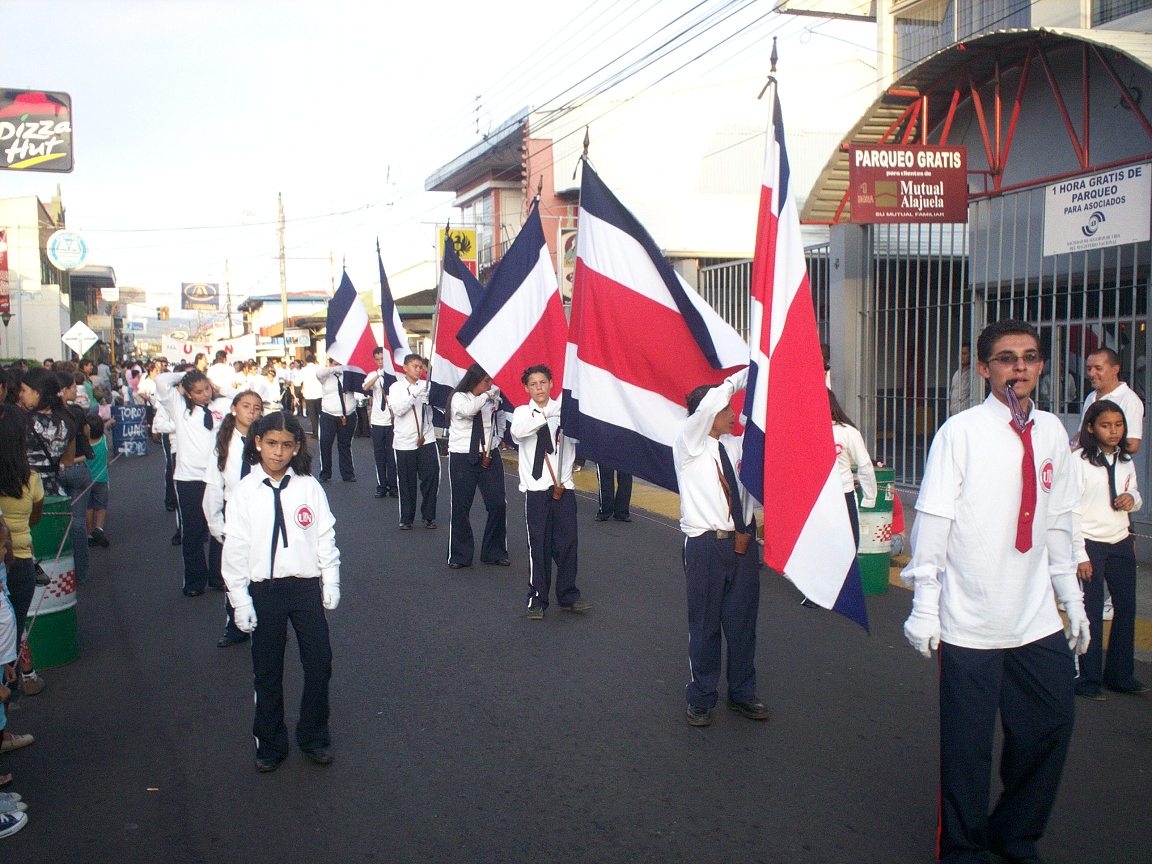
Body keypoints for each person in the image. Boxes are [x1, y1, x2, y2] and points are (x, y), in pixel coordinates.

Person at [901, 319, 1089, 864]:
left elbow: (1058, 520)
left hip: (1035, 620)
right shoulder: (959, 432)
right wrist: (924, 605)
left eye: (1030, 357)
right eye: (1007, 358)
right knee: (967, 749)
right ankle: (962, 849)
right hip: (970, 621)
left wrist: (1071, 602)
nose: (1021, 367)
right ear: (984, 369)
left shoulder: (1053, 430)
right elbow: (933, 521)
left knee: (1050, 727)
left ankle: (1014, 835)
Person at [220, 412, 339, 772]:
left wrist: (330, 578)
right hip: (264, 590)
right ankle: (270, 741)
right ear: (258, 443)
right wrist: (239, 600)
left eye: (287, 445)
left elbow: (324, 535)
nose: (278, 452)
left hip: (304, 587)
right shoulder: (244, 492)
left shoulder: (308, 487)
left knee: (319, 663)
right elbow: (235, 549)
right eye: (271, 443)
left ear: (297, 447)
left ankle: (314, 734)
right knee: (267, 670)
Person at [673, 368, 766, 727]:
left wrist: (768, 372)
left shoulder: (734, 445)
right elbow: (712, 402)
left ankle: (742, 692)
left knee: (743, 624)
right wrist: (747, 373)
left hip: (742, 545)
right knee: (706, 625)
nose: (731, 413)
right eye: (725, 409)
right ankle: (701, 697)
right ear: (706, 416)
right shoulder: (689, 444)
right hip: (706, 546)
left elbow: (761, 424)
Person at [1071, 399, 1145, 699]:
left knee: (1126, 608)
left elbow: (1135, 492)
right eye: (1105, 425)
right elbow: (1071, 510)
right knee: (1090, 609)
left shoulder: (1125, 460)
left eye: (1118, 425)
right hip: (1090, 542)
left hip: (1120, 540)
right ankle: (1086, 678)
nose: (1113, 431)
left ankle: (1119, 674)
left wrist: (1132, 499)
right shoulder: (1080, 462)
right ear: (1091, 428)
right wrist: (1079, 555)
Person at [509, 364, 589, 619]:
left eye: (543, 382)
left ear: (551, 383)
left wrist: (568, 410)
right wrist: (548, 414)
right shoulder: (522, 412)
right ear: (526, 388)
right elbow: (518, 432)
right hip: (536, 490)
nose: (539, 388)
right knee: (539, 545)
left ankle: (568, 594)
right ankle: (537, 598)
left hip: (563, 487)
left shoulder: (565, 413)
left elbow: (579, 439)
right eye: (533, 384)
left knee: (567, 544)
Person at [155, 367, 235, 597]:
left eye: (206, 388)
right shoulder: (178, 407)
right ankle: (194, 580)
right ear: (188, 394)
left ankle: (218, 577)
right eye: (198, 391)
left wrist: (220, 389)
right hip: (189, 477)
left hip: (216, 475)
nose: (204, 394)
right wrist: (185, 376)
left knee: (219, 527)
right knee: (193, 530)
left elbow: (242, 398)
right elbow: (161, 380)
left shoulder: (219, 406)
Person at [202, 390, 264, 648]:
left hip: (262, 512)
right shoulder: (223, 444)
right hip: (234, 514)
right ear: (234, 409)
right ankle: (235, 625)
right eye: (246, 406)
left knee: (262, 573)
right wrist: (216, 524)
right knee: (234, 573)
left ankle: (266, 623)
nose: (251, 411)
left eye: (257, 407)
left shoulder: (265, 442)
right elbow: (214, 487)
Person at [0, 405, 44, 698]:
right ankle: (12, 694)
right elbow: (35, 518)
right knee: (12, 631)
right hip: (21, 560)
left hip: (7, 560)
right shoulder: (31, 478)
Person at [446, 364, 509, 569]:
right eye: (486, 381)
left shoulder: (492, 399)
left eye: (490, 381)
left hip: (488, 455)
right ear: (474, 381)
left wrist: (496, 440)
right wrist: (488, 395)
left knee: (498, 503)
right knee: (461, 506)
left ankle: (494, 551)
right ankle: (460, 555)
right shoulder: (459, 398)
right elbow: (468, 411)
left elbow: (500, 419)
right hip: (463, 456)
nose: (490, 385)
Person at [389, 354, 439, 529]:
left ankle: (429, 516)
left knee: (431, 477)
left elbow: (435, 410)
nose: (418, 370)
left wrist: (428, 399)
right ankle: (407, 518)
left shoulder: (427, 386)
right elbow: (398, 410)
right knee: (407, 481)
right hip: (405, 441)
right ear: (405, 368)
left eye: (420, 367)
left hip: (426, 438)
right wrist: (414, 396)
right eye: (414, 366)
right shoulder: (396, 387)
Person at [1082, 347, 1143, 454]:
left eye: (1098, 368)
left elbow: (1132, 445)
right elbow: (1081, 434)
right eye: (1089, 368)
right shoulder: (1091, 397)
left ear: (1115, 369)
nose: (1091, 373)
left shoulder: (1129, 400)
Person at [314, 359, 358, 483]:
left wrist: (346, 369)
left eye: (340, 363)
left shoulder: (348, 375)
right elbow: (319, 374)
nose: (338, 365)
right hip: (329, 414)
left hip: (348, 414)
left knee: (345, 445)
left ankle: (348, 474)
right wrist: (333, 369)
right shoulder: (326, 376)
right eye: (335, 363)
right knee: (325, 444)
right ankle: (325, 473)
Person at [363, 348, 397, 499]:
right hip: (377, 420)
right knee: (379, 454)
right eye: (377, 359)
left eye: (382, 359)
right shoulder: (373, 374)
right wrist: (377, 375)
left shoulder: (393, 375)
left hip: (391, 420)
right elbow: (365, 387)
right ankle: (381, 485)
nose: (380, 362)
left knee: (392, 454)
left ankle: (393, 485)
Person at [85, 415, 112, 548]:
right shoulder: (103, 440)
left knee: (88, 507)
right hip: (102, 479)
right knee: (101, 506)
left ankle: (89, 534)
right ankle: (99, 528)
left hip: (87, 480)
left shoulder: (85, 445)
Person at [948, 343, 977, 416]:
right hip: (954, 414)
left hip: (967, 415)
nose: (961, 356)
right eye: (960, 354)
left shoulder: (974, 374)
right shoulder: (956, 373)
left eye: (964, 354)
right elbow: (951, 394)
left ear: (971, 355)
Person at [300, 353, 323, 438]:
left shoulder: (304, 370)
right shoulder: (319, 368)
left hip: (309, 394)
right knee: (321, 413)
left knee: (313, 415)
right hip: (319, 393)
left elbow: (297, 381)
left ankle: (315, 433)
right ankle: (322, 431)